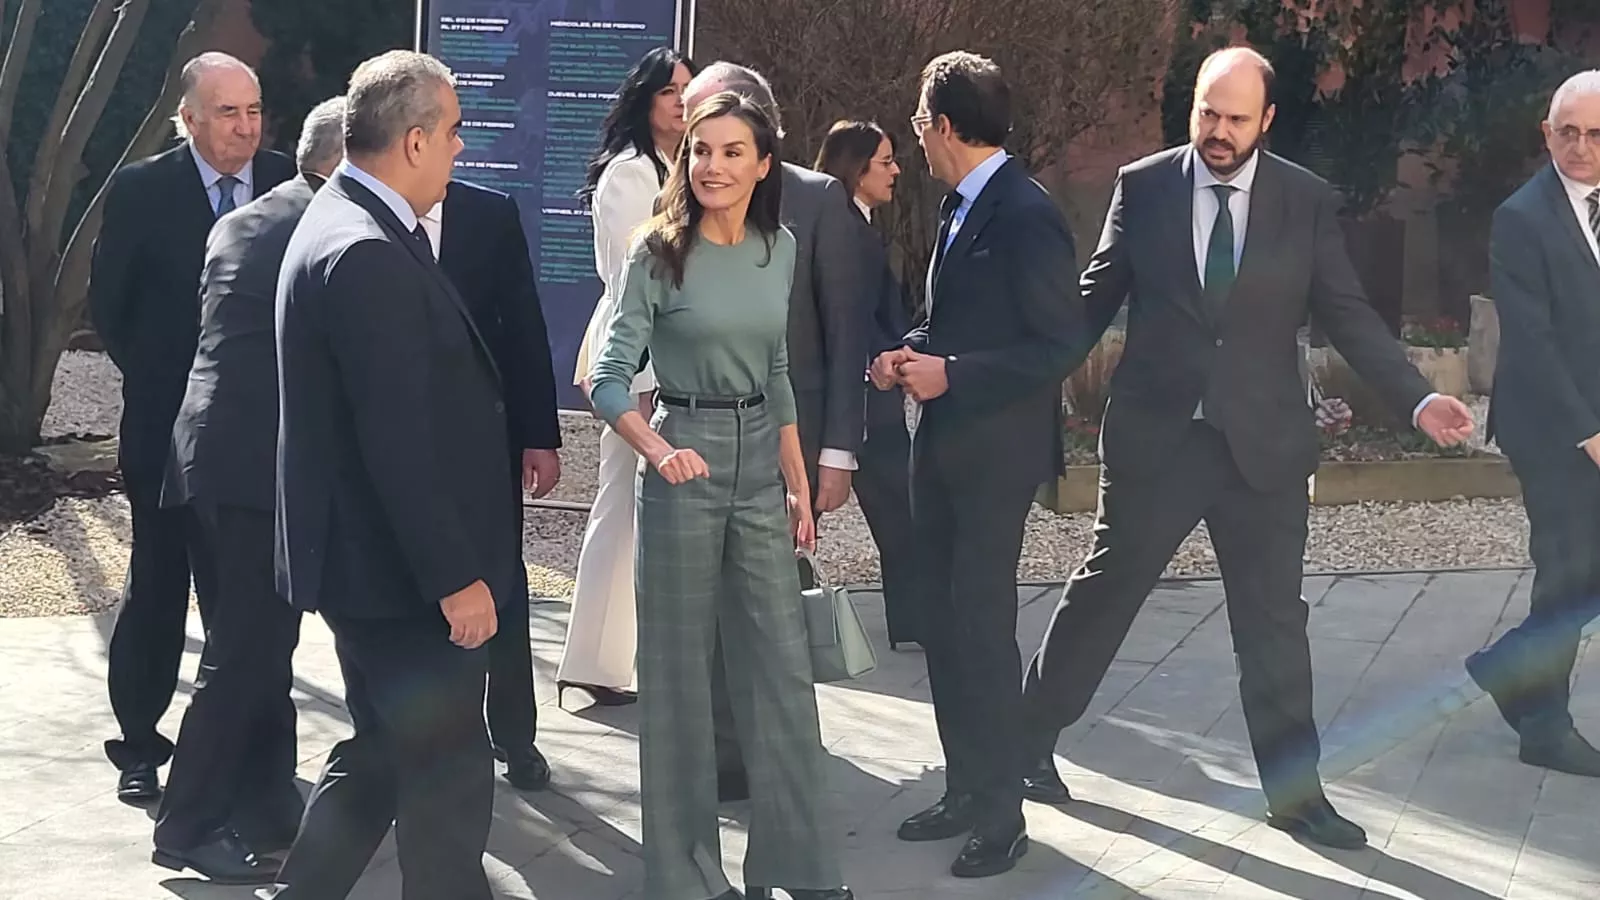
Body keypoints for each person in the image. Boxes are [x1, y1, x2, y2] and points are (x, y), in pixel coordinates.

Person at [1015, 46, 1476, 849]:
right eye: (1206, 113)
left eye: (1234, 118)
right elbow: (1091, 305)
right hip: (1158, 439)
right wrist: (1007, 376)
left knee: (1274, 626)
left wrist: (1418, 395)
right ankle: (1025, 746)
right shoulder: (1145, 185)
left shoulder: (1303, 200)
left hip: (1261, 448)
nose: (1217, 132)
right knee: (1102, 595)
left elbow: (1348, 312)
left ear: (1266, 119)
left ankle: (1297, 795)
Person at [264, 51, 517, 900]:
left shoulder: (345, 219)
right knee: (448, 789)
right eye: (451, 136)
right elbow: (395, 441)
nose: (457, 154)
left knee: (378, 755)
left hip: (372, 571)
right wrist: (456, 580)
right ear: (412, 141)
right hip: (401, 581)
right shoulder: (363, 249)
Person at [588, 91, 851, 900]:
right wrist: (659, 451)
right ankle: (685, 879)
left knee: (781, 673)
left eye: (733, 152)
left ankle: (800, 872)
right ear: (684, 160)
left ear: (763, 165)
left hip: (761, 471)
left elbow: (776, 372)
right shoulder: (655, 253)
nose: (713, 166)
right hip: (684, 461)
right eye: (701, 151)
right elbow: (605, 380)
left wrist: (800, 482)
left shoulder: (781, 248)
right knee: (675, 683)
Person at [868, 51, 1078, 880]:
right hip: (943, 448)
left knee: (982, 632)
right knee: (942, 625)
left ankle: (1003, 813)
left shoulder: (1027, 213)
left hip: (995, 456)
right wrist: (909, 351)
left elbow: (1058, 343)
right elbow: (951, 318)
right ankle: (963, 788)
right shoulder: (959, 208)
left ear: (944, 126)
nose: (916, 139)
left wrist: (955, 373)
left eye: (920, 124)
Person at [148, 96, 347, 885]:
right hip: (259, 466)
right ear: (348, 158)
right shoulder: (325, 230)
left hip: (209, 456)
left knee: (263, 649)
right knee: (245, 652)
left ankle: (267, 804)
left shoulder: (250, 216)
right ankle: (188, 822)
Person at [88, 51, 295, 807]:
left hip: (256, 436)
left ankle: (244, 753)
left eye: (253, 110)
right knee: (158, 588)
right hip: (164, 428)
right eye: (227, 113)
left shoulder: (287, 185)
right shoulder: (144, 190)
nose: (245, 128)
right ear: (190, 119)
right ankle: (139, 744)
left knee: (245, 597)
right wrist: (167, 382)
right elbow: (110, 307)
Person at [679, 61, 870, 804]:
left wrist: (836, 454)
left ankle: (782, 756)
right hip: (699, 441)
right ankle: (727, 757)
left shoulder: (820, 202)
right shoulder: (685, 198)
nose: (700, 149)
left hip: (789, 443)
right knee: (711, 613)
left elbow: (846, 331)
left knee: (776, 614)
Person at [1470, 69, 1600, 777]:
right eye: (1567, 132)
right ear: (1546, 133)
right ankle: (1544, 729)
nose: (1579, 148)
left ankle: (1509, 663)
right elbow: (1535, 340)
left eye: (1595, 134)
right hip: (1550, 427)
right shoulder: (1520, 218)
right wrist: (1591, 432)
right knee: (1568, 569)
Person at [560, 46, 697, 708]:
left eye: (688, 90)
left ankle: (612, 658)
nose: (681, 100)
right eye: (670, 90)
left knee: (637, 512)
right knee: (620, 504)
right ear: (644, 100)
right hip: (631, 358)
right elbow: (633, 280)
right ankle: (594, 659)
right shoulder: (627, 175)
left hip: (669, 356)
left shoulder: (681, 167)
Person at [418, 178, 562, 791]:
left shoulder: (488, 213)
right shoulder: (362, 217)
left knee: (502, 581)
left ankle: (515, 735)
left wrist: (540, 434)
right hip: (404, 435)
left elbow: (523, 324)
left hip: (487, 437)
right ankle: (429, 735)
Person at [814, 119, 920, 650]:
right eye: (885, 161)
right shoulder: (846, 235)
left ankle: (913, 617)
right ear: (857, 170)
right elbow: (843, 319)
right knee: (899, 509)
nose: (896, 171)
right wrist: (876, 363)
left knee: (898, 510)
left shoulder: (854, 230)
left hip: (868, 393)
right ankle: (915, 618)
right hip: (862, 401)